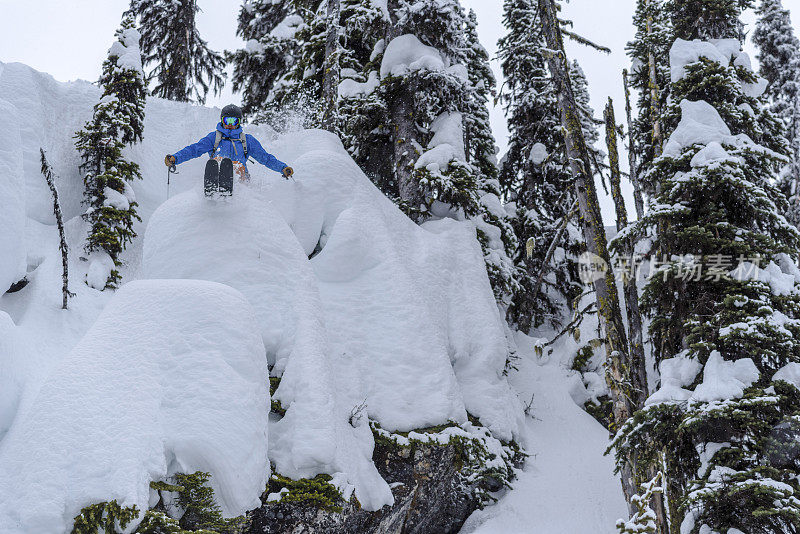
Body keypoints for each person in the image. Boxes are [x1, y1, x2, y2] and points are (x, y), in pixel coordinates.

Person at [164, 104, 293, 187]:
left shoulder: (247, 140)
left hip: (241, 179)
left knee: (235, 165)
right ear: (222, 120)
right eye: (227, 120)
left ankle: (231, 186)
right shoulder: (214, 137)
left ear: (239, 122)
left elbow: (265, 158)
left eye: (234, 121)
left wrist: (283, 168)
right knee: (219, 161)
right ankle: (212, 186)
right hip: (217, 171)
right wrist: (176, 158)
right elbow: (194, 149)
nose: (230, 124)